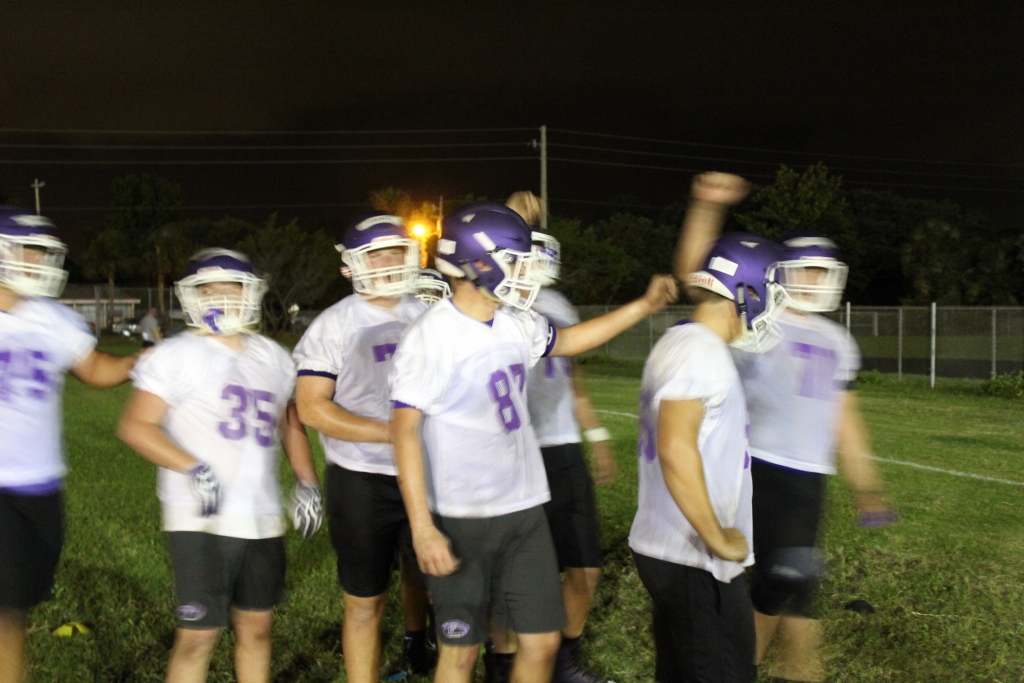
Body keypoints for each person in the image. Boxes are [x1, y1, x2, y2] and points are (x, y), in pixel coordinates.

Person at [389, 202, 678, 683]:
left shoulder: (513, 321)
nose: (526, 272)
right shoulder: (431, 336)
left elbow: (569, 341)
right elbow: (403, 432)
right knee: (460, 652)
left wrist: (643, 306)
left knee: (542, 642)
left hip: (524, 508)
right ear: (477, 263)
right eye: (515, 260)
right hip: (463, 515)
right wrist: (422, 527)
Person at [117, 248, 322, 683]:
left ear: (252, 293)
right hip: (201, 516)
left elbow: (290, 425)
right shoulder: (176, 354)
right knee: (199, 636)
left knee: (258, 628)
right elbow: (136, 426)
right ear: (192, 296)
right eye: (209, 290)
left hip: (261, 513)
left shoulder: (274, 357)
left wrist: (307, 482)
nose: (223, 298)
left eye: (233, 289)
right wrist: (193, 468)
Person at [732, 233, 894, 683]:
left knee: (788, 583)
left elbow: (845, 418)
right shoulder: (755, 325)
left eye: (821, 273)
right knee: (785, 579)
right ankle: (771, 669)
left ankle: (769, 669)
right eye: (805, 270)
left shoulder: (838, 340)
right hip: (759, 465)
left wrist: (866, 484)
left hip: (808, 479)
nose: (813, 280)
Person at [630, 231, 788, 683]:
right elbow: (675, 448)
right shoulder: (700, 351)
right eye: (772, 294)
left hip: (674, 548)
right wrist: (716, 537)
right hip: (691, 555)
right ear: (748, 292)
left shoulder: (686, 341)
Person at [292, 213, 434, 683]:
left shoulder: (432, 316)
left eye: (397, 252)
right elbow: (311, 407)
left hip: (430, 473)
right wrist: (393, 433)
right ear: (353, 264)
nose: (390, 262)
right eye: (378, 254)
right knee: (364, 601)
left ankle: (426, 647)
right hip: (361, 479)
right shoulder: (334, 324)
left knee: (445, 586)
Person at [0, 207, 138, 683]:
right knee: (4, 610)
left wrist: (141, 360)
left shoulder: (53, 318)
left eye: (43, 253)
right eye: (29, 251)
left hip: (40, 484)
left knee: (15, 607)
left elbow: (94, 369)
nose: (39, 262)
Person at [498, 192, 615, 683]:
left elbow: (572, 377)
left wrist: (597, 433)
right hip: (513, 450)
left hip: (563, 447)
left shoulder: (560, 305)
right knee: (513, 574)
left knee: (585, 568)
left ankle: (563, 662)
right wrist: (511, 217)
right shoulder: (497, 303)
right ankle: (503, 665)